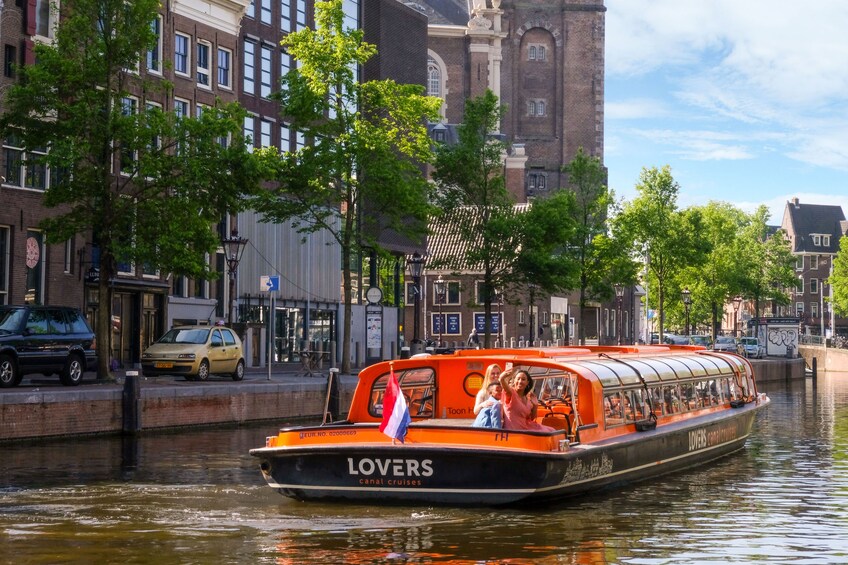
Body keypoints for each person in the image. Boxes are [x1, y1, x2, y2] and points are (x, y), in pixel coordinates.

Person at [499, 367, 554, 432]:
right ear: (514, 381)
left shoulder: (528, 398)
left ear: (527, 382)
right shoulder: (511, 393)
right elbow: (504, 386)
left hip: (526, 428)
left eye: (523, 379)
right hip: (513, 431)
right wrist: (502, 378)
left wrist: (535, 405)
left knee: (551, 430)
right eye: (518, 379)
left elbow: (532, 418)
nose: (520, 381)